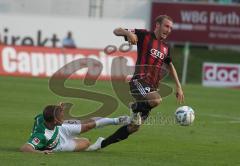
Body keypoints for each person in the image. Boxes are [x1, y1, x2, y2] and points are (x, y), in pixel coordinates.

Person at [88, 15, 184, 151]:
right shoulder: (144, 35)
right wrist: (128, 33)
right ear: (157, 25)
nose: (169, 30)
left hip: (151, 87)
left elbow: (170, 65)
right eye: (166, 26)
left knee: (134, 127)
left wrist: (178, 86)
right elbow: (117, 30)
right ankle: (135, 107)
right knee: (156, 100)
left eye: (171, 28)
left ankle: (101, 144)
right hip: (138, 81)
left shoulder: (165, 48)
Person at [20, 103, 131, 154]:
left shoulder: (44, 117)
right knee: (86, 142)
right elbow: (25, 148)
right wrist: (41, 152)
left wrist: (58, 109)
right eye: (61, 117)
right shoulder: (42, 135)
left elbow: (48, 112)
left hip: (59, 129)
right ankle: (92, 147)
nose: (64, 118)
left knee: (87, 125)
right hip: (58, 145)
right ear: (55, 121)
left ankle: (117, 120)